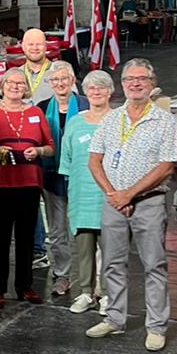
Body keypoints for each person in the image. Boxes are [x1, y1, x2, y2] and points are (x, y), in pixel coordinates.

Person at [86, 59, 177, 351]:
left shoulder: (166, 121)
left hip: (148, 203)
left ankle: (156, 326)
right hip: (113, 201)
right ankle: (115, 318)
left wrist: (129, 194)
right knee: (113, 263)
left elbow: (167, 166)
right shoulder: (112, 119)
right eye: (129, 79)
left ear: (152, 84)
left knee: (154, 265)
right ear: (122, 84)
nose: (135, 83)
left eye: (142, 79)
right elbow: (94, 159)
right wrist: (115, 194)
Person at [0, 67, 54, 307]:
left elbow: (50, 146)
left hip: (29, 183)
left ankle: (26, 285)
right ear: (2, 86)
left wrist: (39, 151)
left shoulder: (35, 113)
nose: (16, 87)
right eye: (11, 83)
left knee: (26, 236)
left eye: (21, 83)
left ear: (26, 88)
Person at [61, 70, 114, 315]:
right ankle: (85, 292)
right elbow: (67, 160)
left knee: (109, 250)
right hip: (81, 194)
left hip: (109, 195)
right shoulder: (75, 123)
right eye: (92, 88)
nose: (96, 92)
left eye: (101, 88)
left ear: (110, 91)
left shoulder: (118, 120)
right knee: (84, 248)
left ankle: (105, 294)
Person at [42, 61, 86, 298]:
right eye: (55, 80)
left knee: (87, 229)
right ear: (50, 83)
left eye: (64, 79)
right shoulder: (41, 108)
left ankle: (94, 280)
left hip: (83, 178)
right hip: (52, 177)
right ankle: (63, 275)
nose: (59, 83)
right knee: (58, 230)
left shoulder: (85, 105)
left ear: (73, 81)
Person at [18, 29, 57, 105]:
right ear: (23, 46)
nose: (35, 48)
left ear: (46, 46)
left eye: (39, 44)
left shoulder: (59, 72)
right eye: (30, 44)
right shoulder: (15, 75)